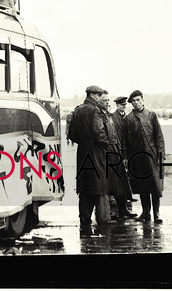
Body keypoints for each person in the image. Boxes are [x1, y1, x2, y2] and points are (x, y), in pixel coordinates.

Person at [66, 85, 115, 236]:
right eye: (100, 95)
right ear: (93, 95)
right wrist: (107, 143)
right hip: (97, 153)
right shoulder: (95, 111)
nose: (101, 98)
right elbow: (99, 132)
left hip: (83, 153)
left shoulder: (78, 109)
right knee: (100, 186)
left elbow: (72, 135)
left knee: (85, 187)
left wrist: (84, 141)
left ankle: (84, 219)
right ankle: (104, 221)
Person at [122, 89, 166, 223]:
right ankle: (146, 212)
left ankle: (156, 213)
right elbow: (124, 141)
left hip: (152, 156)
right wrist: (125, 157)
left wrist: (161, 154)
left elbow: (159, 136)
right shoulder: (128, 119)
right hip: (137, 158)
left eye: (138, 100)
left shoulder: (152, 115)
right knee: (142, 186)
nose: (136, 103)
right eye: (133, 101)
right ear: (131, 103)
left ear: (143, 100)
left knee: (155, 185)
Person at [110, 96, 137, 219]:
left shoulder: (126, 117)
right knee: (118, 182)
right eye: (121, 105)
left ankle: (124, 208)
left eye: (124, 105)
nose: (123, 106)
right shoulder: (113, 117)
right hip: (116, 152)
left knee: (125, 181)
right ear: (117, 105)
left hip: (125, 152)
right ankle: (120, 209)